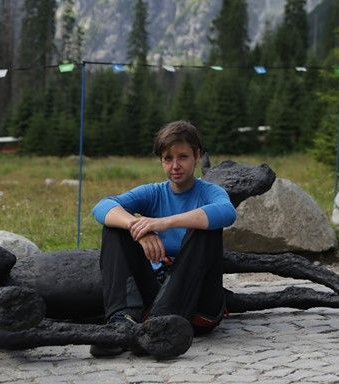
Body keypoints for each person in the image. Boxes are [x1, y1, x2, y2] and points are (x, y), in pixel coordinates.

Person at [89, 120, 237, 357]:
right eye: (168, 159)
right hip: (158, 294)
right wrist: (139, 228)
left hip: (200, 304)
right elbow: (102, 206)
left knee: (206, 227)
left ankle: (157, 326)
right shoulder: (154, 192)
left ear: (197, 156)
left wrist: (163, 223)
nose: (175, 165)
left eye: (183, 157)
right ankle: (120, 322)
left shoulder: (210, 192)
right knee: (115, 228)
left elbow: (227, 213)